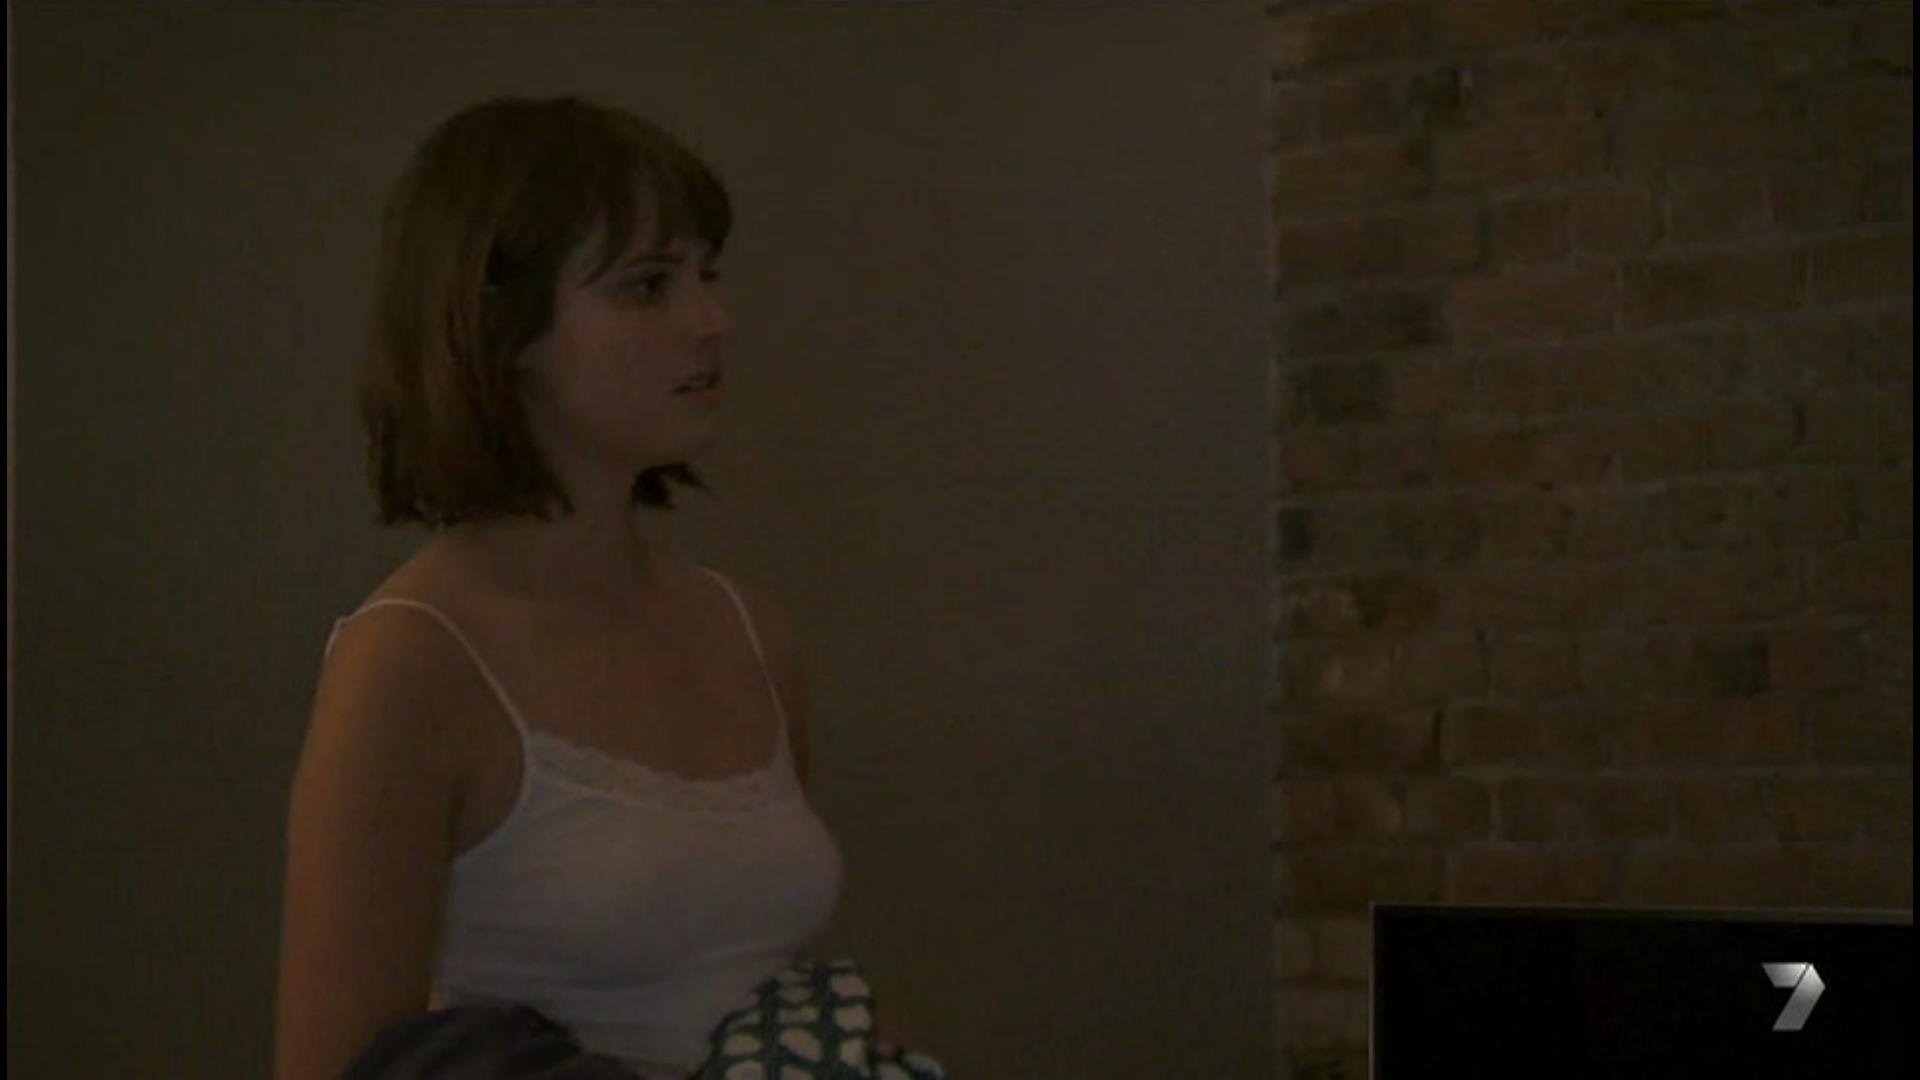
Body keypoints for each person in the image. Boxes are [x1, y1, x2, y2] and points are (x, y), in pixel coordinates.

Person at [273, 95, 917, 1080]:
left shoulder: (750, 631)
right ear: (504, 333)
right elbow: (334, 1067)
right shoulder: (407, 661)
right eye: (648, 286)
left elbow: (768, 983)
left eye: (706, 276)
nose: (712, 321)